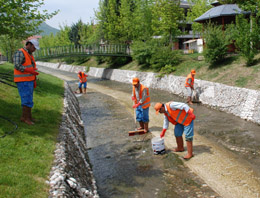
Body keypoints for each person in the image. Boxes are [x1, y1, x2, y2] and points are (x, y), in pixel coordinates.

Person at [13, 39, 40, 125]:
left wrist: (32, 72)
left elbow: (28, 65)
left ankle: (28, 117)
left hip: (28, 80)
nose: (34, 50)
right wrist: (28, 70)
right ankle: (25, 118)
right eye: (34, 48)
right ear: (29, 45)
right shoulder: (20, 52)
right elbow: (17, 65)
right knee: (26, 99)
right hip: (23, 80)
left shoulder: (29, 54)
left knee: (29, 99)